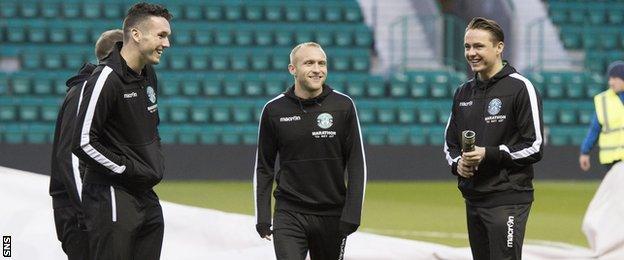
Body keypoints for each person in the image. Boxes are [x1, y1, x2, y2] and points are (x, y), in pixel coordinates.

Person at [71, 3, 171, 259]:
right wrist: (127, 168)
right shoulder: (105, 78)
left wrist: (152, 166)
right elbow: (82, 142)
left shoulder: (148, 74)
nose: (167, 43)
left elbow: (151, 128)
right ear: (136, 34)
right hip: (113, 194)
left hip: (146, 194)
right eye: (161, 35)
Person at [254, 42, 367, 260]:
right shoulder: (273, 110)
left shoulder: (343, 105)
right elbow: (263, 167)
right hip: (289, 213)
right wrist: (263, 216)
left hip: (332, 215)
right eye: (309, 63)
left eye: (321, 63)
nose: (317, 69)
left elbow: (356, 163)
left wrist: (352, 213)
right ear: (292, 69)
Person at [444, 17, 543, 260]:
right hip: (473, 197)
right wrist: (458, 164)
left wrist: (489, 153)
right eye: (467, 47)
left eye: (478, 46)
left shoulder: (520, 88)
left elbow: (535, 145)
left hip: (507, 197)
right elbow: (450, 143)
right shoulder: (463, 92)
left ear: (499, 47)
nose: (471, 53)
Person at [49, 29, 122, 260]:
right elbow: (69, 158)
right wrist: (90, 215)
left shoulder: (102, 90)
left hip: (96, 211)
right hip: (82, 217)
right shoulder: (84, 91)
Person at [579, 61, 624, 172]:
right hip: (611, 160)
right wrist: (584, 152)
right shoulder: (603, 100)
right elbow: (594, 129)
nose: (611, 82)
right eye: (610, 79)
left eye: (615, 78)